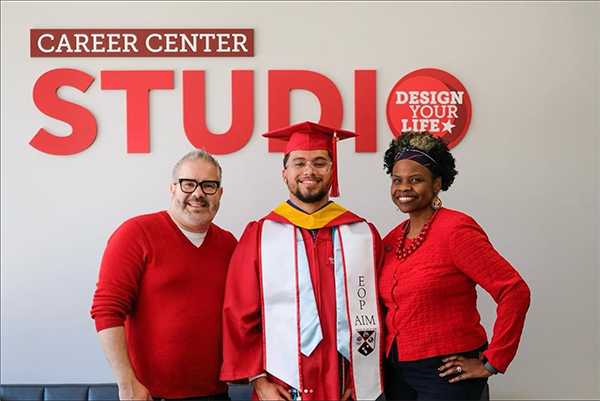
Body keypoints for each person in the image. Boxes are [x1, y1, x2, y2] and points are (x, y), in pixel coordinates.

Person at [220, 121, 385, 401]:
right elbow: (239, 313)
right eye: (299, 163)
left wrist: (362, 378)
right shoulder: (260, 235)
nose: (309, 171)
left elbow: (380, 310)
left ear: (333, 172)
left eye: (320, 162)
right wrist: (258, 381)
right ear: (285, 174)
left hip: (345, 380)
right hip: (281, 384)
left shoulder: (362, 234)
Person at [379, 131, 531, 400]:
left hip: (446, 374)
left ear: (436, 183)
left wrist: (493, 361)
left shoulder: (456, 230)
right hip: (395, 374)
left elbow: (514, 290)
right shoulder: (391, 240)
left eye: (416, 180)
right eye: (397, 180)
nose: (403, 188)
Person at [90, 149, 237, 401]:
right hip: (149, 395)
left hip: (215, 394)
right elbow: (106, 311)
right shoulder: (135, 234)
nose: (198, 193)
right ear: (172, 189)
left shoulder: (229, 244)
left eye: (208, 185)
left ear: (220, 193)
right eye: (188, 184)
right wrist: (126, 383)